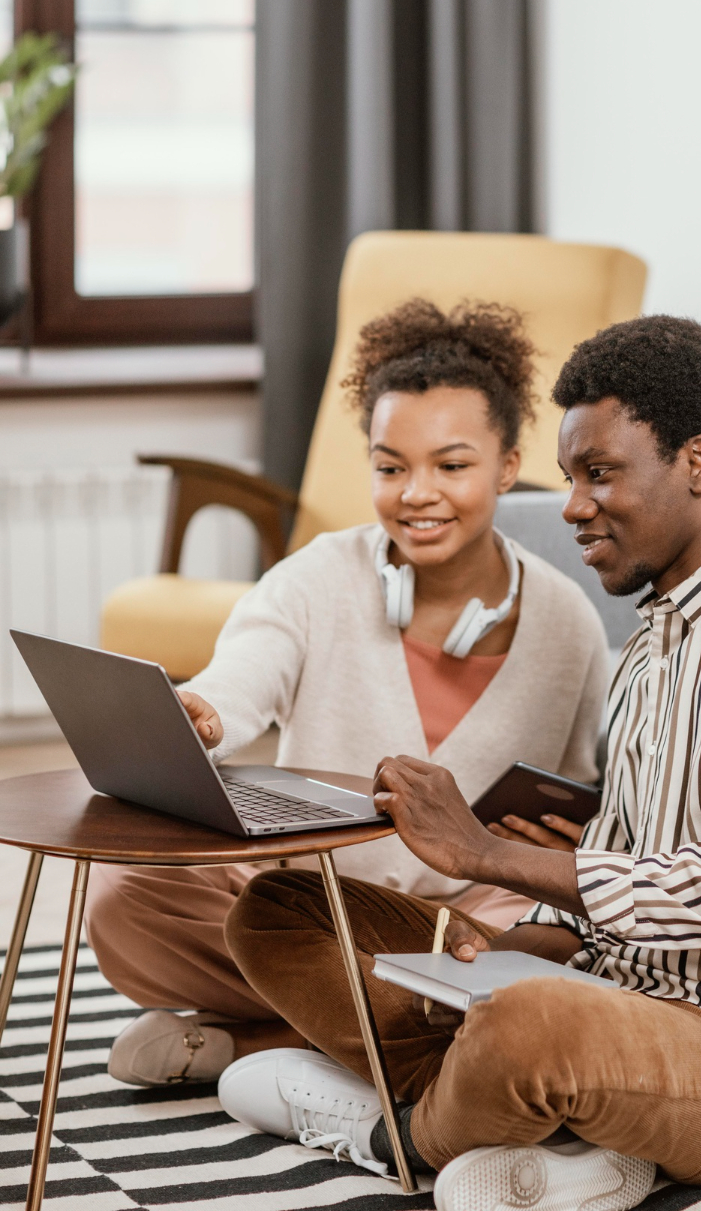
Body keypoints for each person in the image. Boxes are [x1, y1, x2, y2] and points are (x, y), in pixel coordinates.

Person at [217, 315, 701, 1211]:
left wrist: (481, 855)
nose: (571, 506)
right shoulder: (648, 649)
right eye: (569, 478)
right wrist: (523, 942)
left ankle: (391, 1132)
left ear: (697, 465)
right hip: (612, 991)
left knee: (526, 1023)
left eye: (600, 474)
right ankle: (559, 1131)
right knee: (280, 912)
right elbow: (628, 883)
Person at [86, 299, 608, 1090]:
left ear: (507, 466)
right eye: (391, 466)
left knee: (562, 945)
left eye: (452, 465)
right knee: (126, 899)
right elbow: (248, 665)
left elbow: (588, 795)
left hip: (463, 919)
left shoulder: (568, 619)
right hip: (301, 904)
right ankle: (399, 1026)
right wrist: (209, 711)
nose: (417, 493)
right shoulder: (317, 576)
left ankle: (263, 1038)